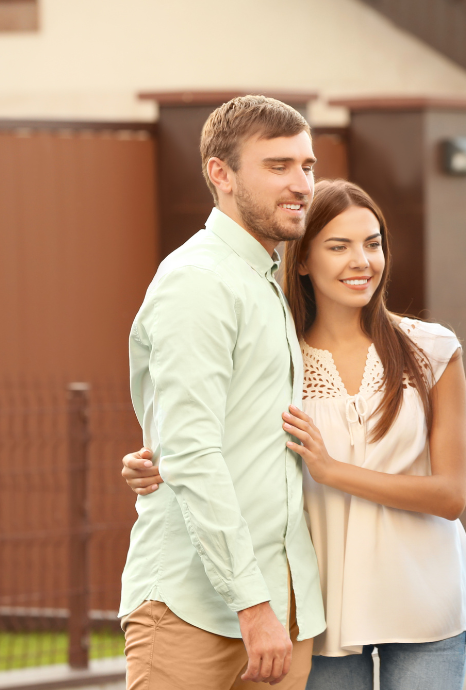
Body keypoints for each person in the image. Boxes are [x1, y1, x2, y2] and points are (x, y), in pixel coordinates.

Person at [123, 179, 466, 690]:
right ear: (303, 260)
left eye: (373, 244)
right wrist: (155, 459)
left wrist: (336, 472)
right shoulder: (278, 358)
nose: (362, 261)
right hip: (322, 607)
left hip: (425, 598)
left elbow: (451, 495)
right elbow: (207, 435)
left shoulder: (432, 349)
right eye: (339, 246)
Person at [118, 95, 324, 690]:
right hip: (198, 608)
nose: (302, 184)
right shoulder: (200, 283)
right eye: (278, 166)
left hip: (281, 608)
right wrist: (252, 603)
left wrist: (275, 607)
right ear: (221, 173)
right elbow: (191, 453)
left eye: (307, 166)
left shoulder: (265, 278)